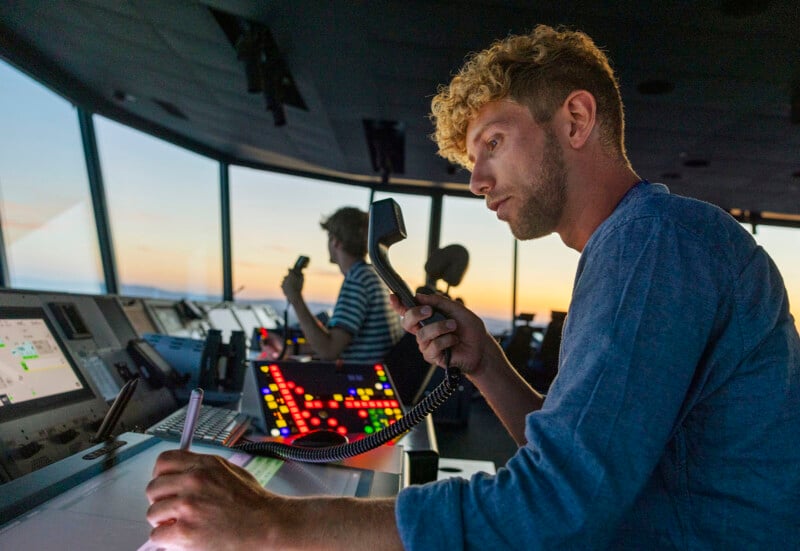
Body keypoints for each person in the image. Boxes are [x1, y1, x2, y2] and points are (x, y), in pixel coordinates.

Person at [145, 25, 800, 549]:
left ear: (574, 119)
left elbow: (553, 510)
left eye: (493, 142)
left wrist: (270, 522)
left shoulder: (652, 242)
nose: (477, 179)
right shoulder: (635, 247)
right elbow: (584, 467)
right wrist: (486, 364)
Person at [265, 206, 403, 363]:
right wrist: (290, 349)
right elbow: (341, 342)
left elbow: (328, 351)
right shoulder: (372, 275)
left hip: (360, 379)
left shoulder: (358, 280)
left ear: (335, 241)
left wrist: (295, 297)